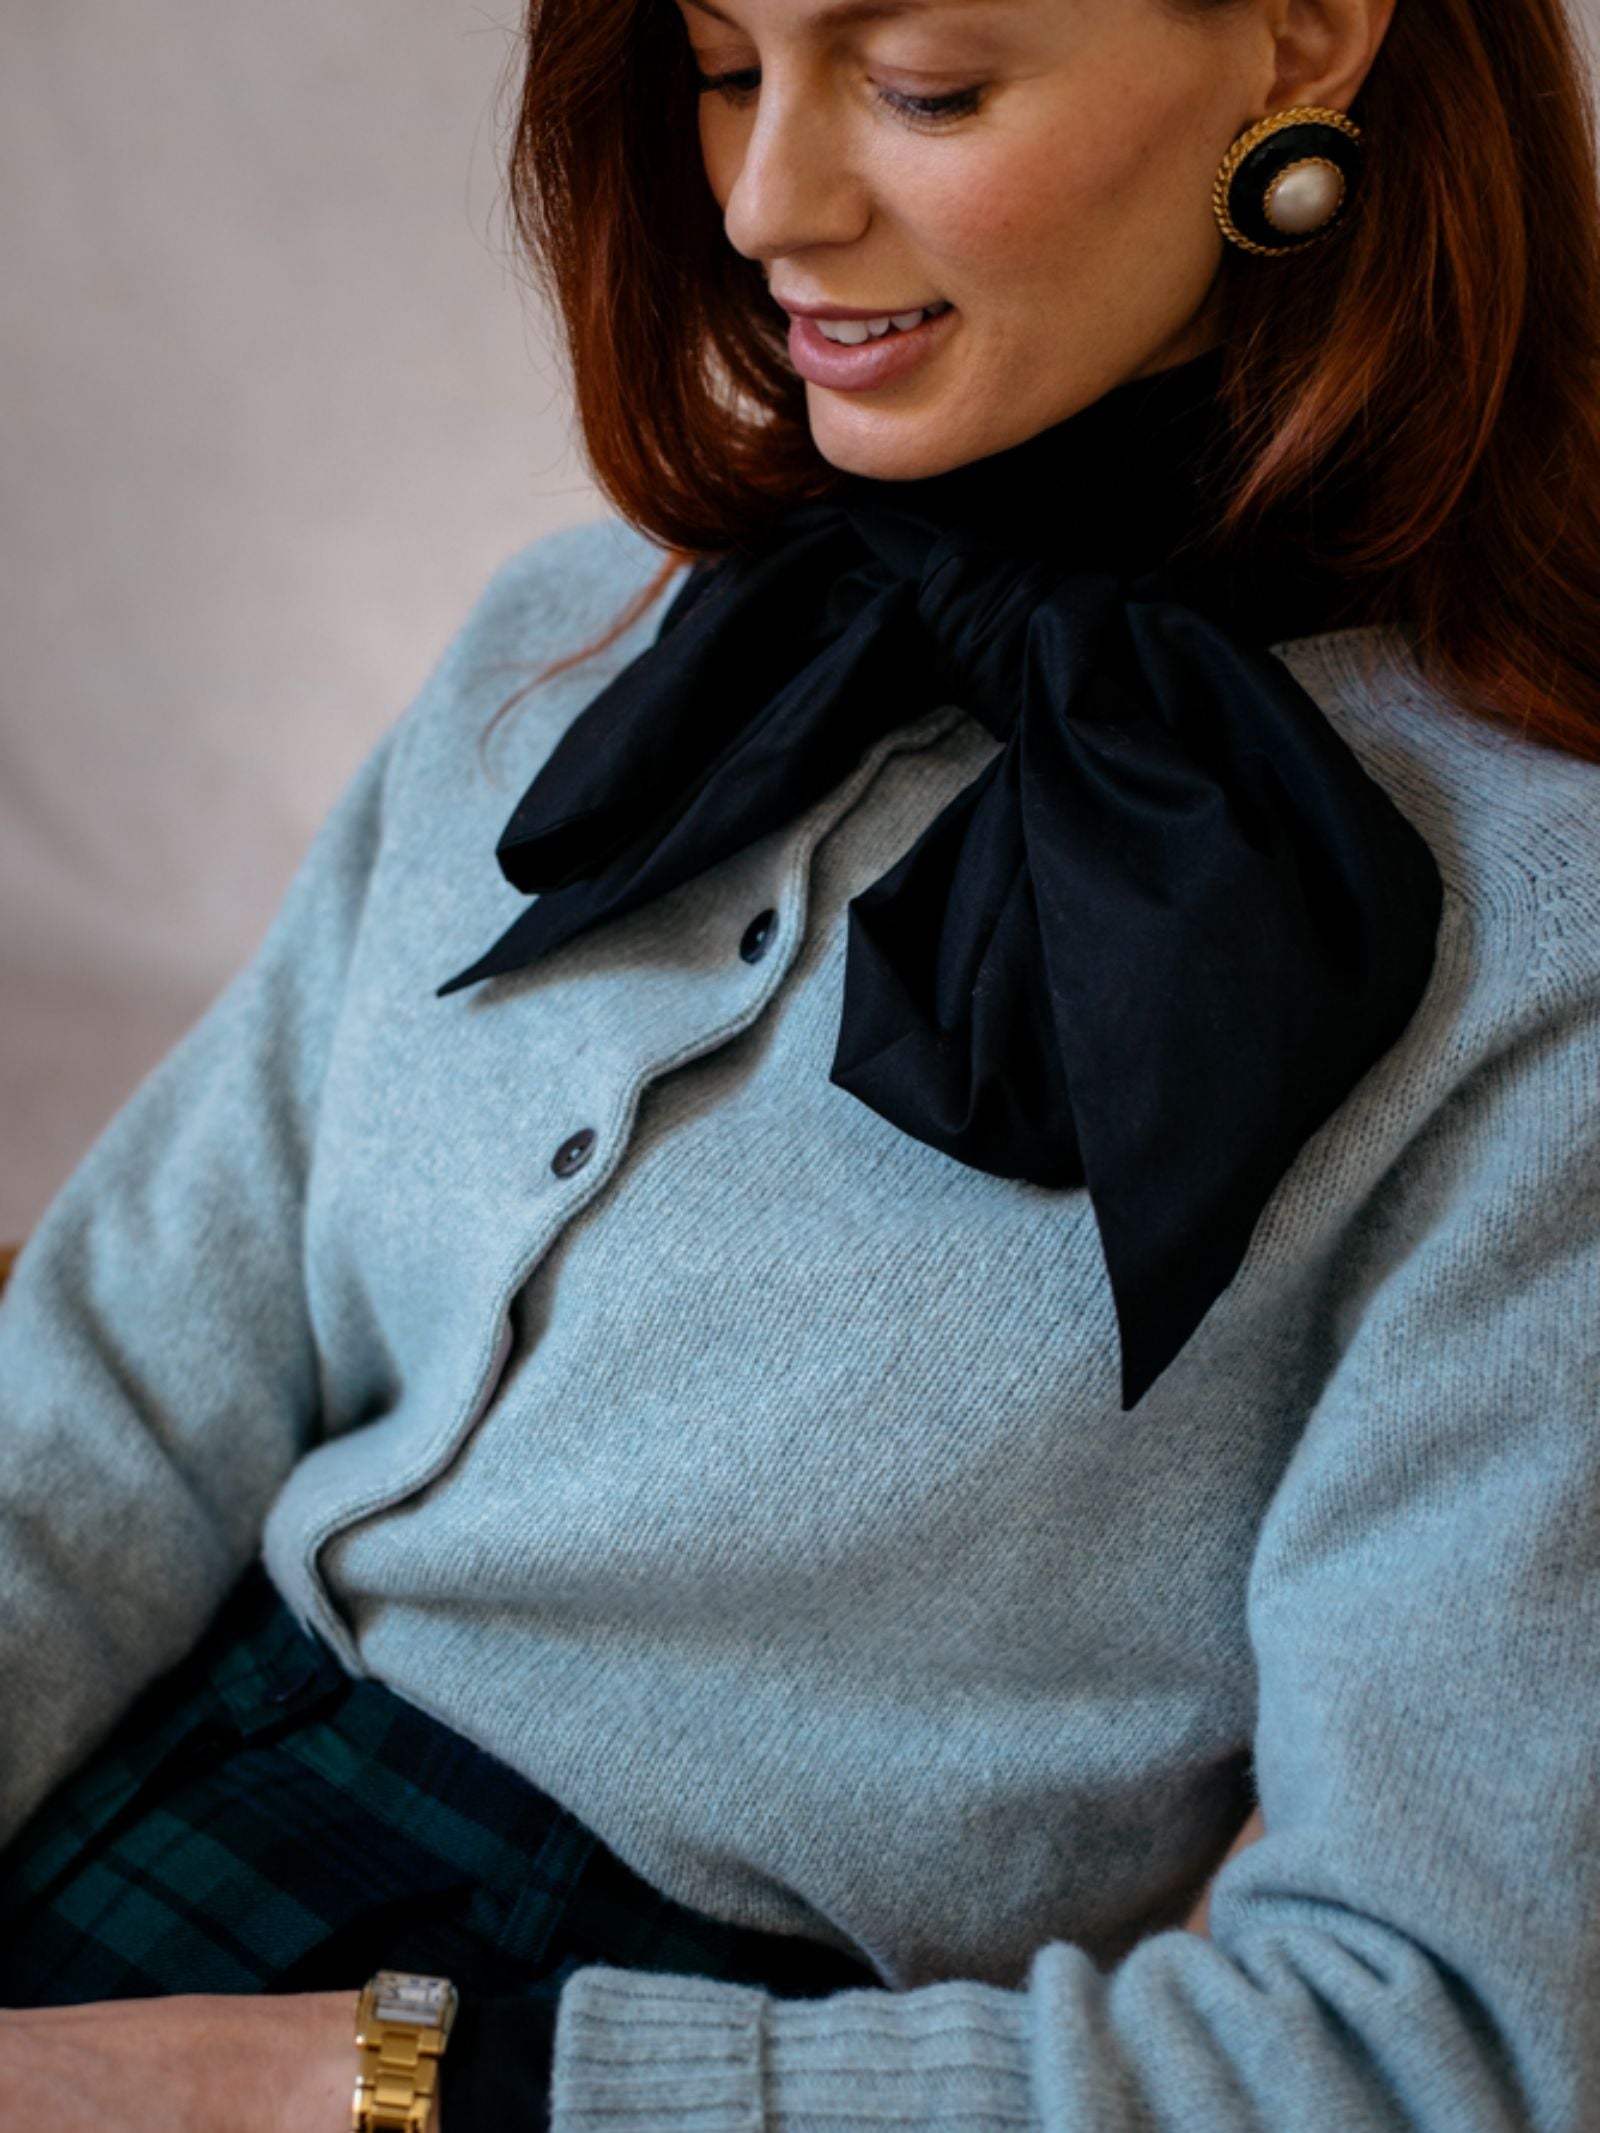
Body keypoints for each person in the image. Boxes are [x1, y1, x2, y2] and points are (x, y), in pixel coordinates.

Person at [2, 0, 1599, 2122]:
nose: (766, 202)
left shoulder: (1534, 954)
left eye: (923, 86)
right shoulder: (574, 637)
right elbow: (114, 1382)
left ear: (1301, 42)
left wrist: (337, 2087)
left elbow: (1434, 2045)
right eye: (725, 65)